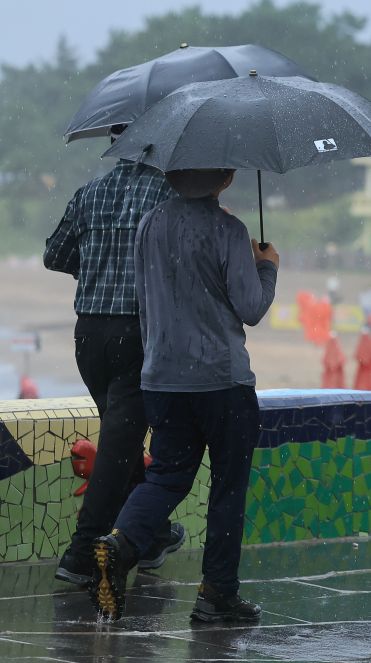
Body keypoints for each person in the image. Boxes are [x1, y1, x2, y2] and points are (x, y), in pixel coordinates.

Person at [85, 168, 279, 622]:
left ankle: (121, 542)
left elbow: (144, 296)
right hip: (221, 382)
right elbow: (251, 308)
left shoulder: (149, 223)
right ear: (227, 178)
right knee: (227, 489)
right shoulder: (229, 230)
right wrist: (266, 266)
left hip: (161, 379)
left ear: (171, 175)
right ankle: (216, 597)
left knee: (168, 477)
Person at [43, 128, 186, 586]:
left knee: (121, 443)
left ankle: (155, 533)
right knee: (119, 445)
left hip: (89, 336)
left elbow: (54, 256)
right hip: (137, 334)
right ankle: (81, 554)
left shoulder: (90, 193)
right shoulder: (168, 193)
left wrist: (100, 264)